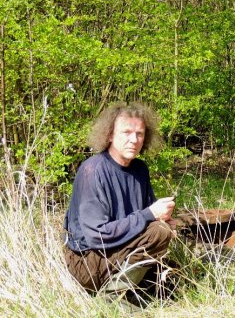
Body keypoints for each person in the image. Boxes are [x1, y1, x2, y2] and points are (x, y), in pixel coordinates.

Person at [63, 102, 177, 305]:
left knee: (171, 274)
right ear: (109, 135)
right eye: (126, 132)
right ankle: (112, 298)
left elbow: (147, 217)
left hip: (117, 251)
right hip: (88, 261)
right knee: (159, 232)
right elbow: (98, 236)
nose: (134, 140)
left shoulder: (140, 169)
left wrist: (166, 218)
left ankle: (132, 290)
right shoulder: (93, 171)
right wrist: (151, 216)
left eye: (139, 133)